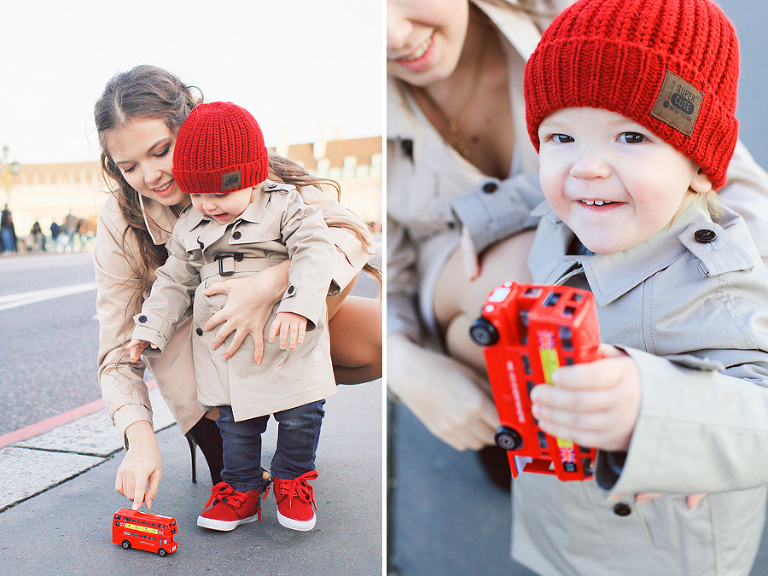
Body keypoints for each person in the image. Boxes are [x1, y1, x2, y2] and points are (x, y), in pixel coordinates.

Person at [385, 0, 768, 485]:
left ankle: (578, 413)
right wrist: (403, 362)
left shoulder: (602, 19)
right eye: (559, 138)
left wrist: (667, 422)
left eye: (630, 138)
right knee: (517, 309)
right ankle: (535, 416)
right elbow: (388, 270)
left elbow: (717, 153)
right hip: (496, 263)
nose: (394, 33)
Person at [501, 0, 768, 573]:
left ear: (698, 166)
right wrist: (473, 217)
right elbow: (525, 198)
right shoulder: (568, 218)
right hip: (560, 523)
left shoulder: (715, 287)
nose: (586, 167)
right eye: (561, 137)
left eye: (630, 137)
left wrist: (655, 408)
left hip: (662, 550)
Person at [93, 65, 381, 512]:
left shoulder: (253, 166)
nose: (151, 176)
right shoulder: (119, 220)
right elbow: (118, 347)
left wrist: (270, 284)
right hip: (207, 343)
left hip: (280, 322)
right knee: (158, 332)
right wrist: (139, 438)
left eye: (161, 151)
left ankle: (289, 412)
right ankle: (220, 437)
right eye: (129, 166)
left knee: (385, 335)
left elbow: (349, 232)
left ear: (189, 128)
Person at [127, 101, 337, 532]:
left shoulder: (283, 206)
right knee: (236, 426)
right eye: (197, 193)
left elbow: (317, 250)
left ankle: (293, 478)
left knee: (301, 414)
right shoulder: (191, 224)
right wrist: (151, 327)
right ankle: (240, 489)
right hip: (225, 345)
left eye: (220, 192)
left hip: (285, 336)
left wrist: (298, 305)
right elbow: (173, 279)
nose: (207, 204)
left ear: (253, 177)